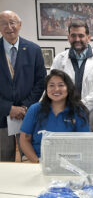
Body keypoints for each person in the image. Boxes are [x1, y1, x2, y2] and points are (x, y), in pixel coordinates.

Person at [0, 10, 46, 161]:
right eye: (4, 23)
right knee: (3, 160)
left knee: (29, 158)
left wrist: (25, 107)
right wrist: (8, 108)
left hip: (27, 115)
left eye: (12, 22)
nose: (9, 27)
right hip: (1, 116)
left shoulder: (34, 50)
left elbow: (40, 82)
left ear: (19, 25)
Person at [51, 20, 93, 131]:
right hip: (65, 112)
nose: (77, 39)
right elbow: (52, 85)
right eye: (73, 36)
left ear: (88, 37)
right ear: (68, 38)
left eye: (81, 36)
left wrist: (83, 105)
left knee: (91, 146)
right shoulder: (59, 60)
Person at [19, 69, 90, 163]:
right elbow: (24, 140)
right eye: (51, 85)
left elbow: (84, 143)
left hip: (70, 162)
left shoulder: (78, 111)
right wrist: (37, 162)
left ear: (68, 88)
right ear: (46, 89)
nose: (56, 89)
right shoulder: (34, 109)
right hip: (36, 160)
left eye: (61, 85)